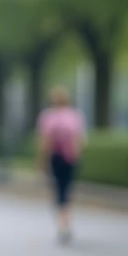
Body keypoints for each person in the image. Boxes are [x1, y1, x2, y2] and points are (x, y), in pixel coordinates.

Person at [35, 86, 86, 245]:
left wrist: (41, 162)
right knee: (66, 189)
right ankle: (66, 221)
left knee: (58, 190)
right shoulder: (75, 115)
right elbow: (80, 139)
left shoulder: (48, 116)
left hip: (55, 157)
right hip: (70, 158)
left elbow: (45, 141)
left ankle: (62, 224)